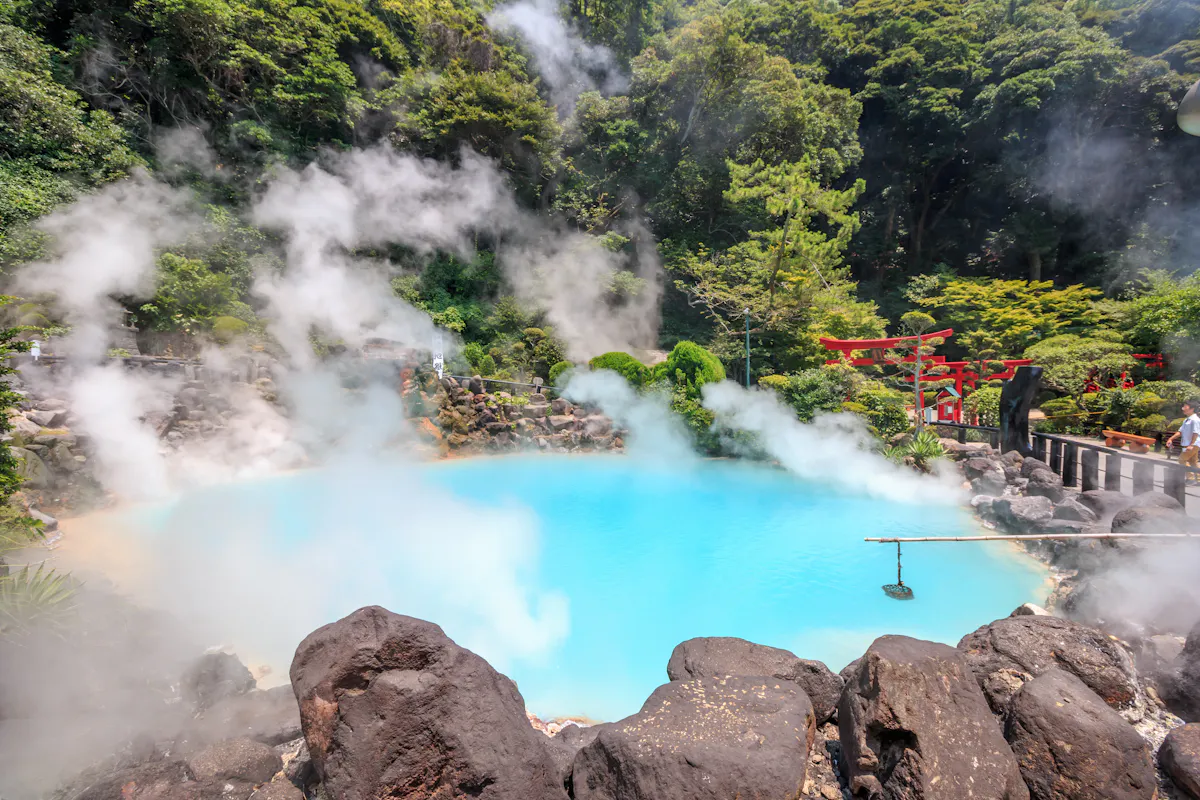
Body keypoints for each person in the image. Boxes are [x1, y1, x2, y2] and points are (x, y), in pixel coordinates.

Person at [1167, 399, 1200, 482]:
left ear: (1192, 409)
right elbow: (1180, 432)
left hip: (1193, 444)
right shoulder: (1186, 420)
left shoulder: (1195, 420)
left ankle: (1190, 478)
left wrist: (1191, 445)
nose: (1183, 408)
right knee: (1193, 462)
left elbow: (1196, 433)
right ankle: (1199, 479)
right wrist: (1171, 439)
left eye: (1185, 406)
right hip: (1189, 444)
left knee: (1182, 459)